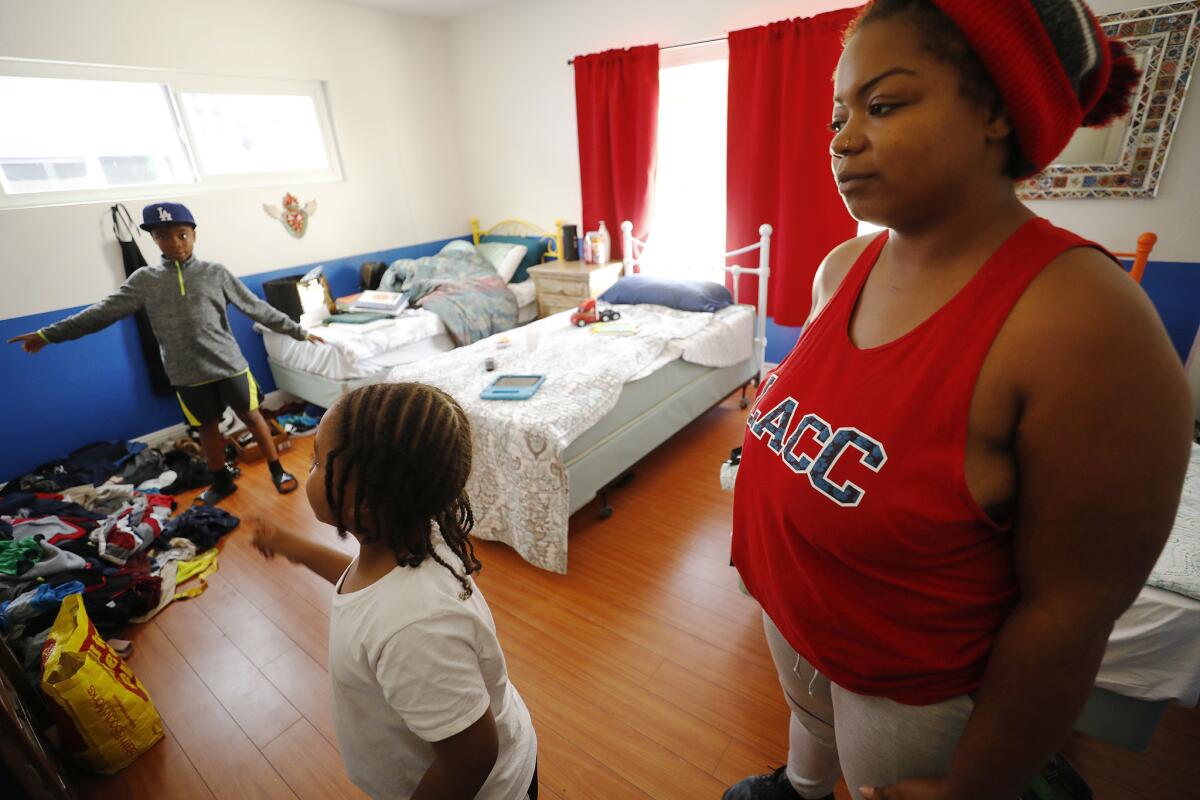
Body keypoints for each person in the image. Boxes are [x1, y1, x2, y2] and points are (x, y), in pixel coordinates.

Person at [726, 2, 1192, 800]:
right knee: (809, 729)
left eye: (884, 105)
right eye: (838, 114)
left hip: (910, 684)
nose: (840, 140)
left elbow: (1070, 613)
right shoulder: (843, 269)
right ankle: (800, 789)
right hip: (795, 618)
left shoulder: (1083, 321)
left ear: (998, 113)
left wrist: (972, 790)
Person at [250, 382, 538, 800]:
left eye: (316, 460)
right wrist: (294, 547)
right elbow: (363, 590)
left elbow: (471, 757)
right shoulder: (409, 539)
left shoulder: (415, 627)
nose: (306, 468)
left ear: (365, 498)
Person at [8, 202, 324, 506]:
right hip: (185, 373)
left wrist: (298, 330)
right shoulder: (145, 280)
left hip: (229, 365)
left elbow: (256, 307)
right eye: (164, 236)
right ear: (154, 239)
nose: (174, 242)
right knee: (207, 429)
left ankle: (276, 469)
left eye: (181, 234)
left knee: (253, 417)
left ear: (194, 234)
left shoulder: (215, 273)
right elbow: (101, 313)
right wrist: (47, 334)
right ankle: (221, 482)